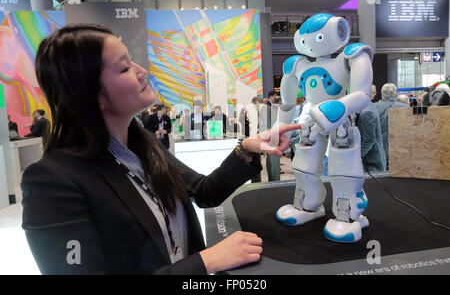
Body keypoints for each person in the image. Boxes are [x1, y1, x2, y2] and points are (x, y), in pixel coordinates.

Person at [21, 23, 301, 274]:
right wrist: (204, 262)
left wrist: (248, 147)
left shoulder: (143, 144)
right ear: (90, 95)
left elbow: (203, 191)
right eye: (124, 67)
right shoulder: (52, 183)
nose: (142, 72)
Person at [373, 83, 409, 169]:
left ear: (382, 93)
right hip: (400, 150)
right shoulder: (406, 108)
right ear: (396, 94)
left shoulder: (372, 107)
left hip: (378, 150)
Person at [356, 103, 386, 172]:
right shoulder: (369, 107)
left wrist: (358, 156)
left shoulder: (366, 113)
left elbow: (369, 139)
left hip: (372, 161)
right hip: (374, 157)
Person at [259, 90, 280, 181]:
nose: (276, 97)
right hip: (271, 135)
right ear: (271, 96)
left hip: (271, 134)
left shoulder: (270, 106)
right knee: (272, 159)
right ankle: (274, 179)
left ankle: (273, 178)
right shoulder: (267, 106)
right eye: (275, 96)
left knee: (271, 159)